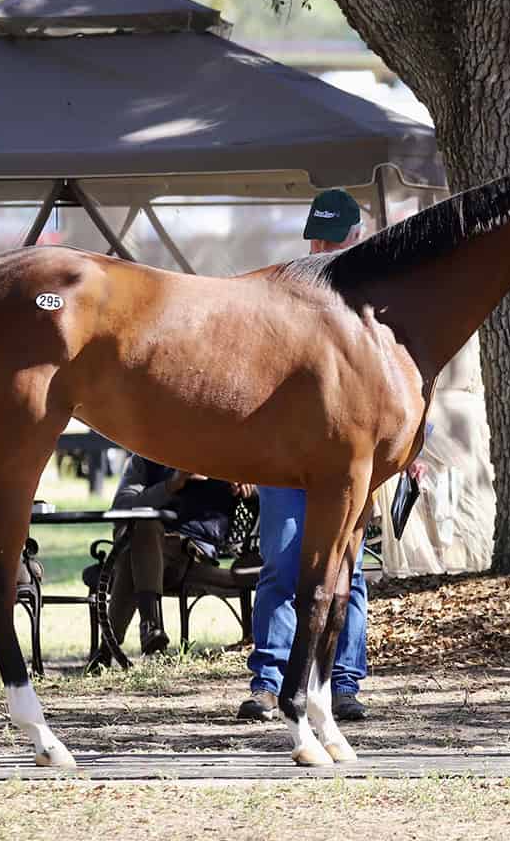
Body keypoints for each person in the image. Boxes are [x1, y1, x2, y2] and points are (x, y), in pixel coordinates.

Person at [238, 189, 371, 724]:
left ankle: (343, 683)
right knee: (281, 564)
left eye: (332, 241)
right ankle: (268, 683)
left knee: (346, 571)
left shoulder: (373, 302)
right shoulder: (285, 294)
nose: (321, 249)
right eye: (316, 239)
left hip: (347, 461)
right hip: (287, 459)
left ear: (356, 238)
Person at [108, 453, 255, 656]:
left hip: (194, 557)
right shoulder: (147, 456)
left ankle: (114, 643)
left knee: (130, 557)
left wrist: (251, 490)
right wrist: (171, 485)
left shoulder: (228, 454)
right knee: (145, 524)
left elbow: (278, 498)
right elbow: (121, 508)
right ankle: (148, 626)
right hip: (151, 549)